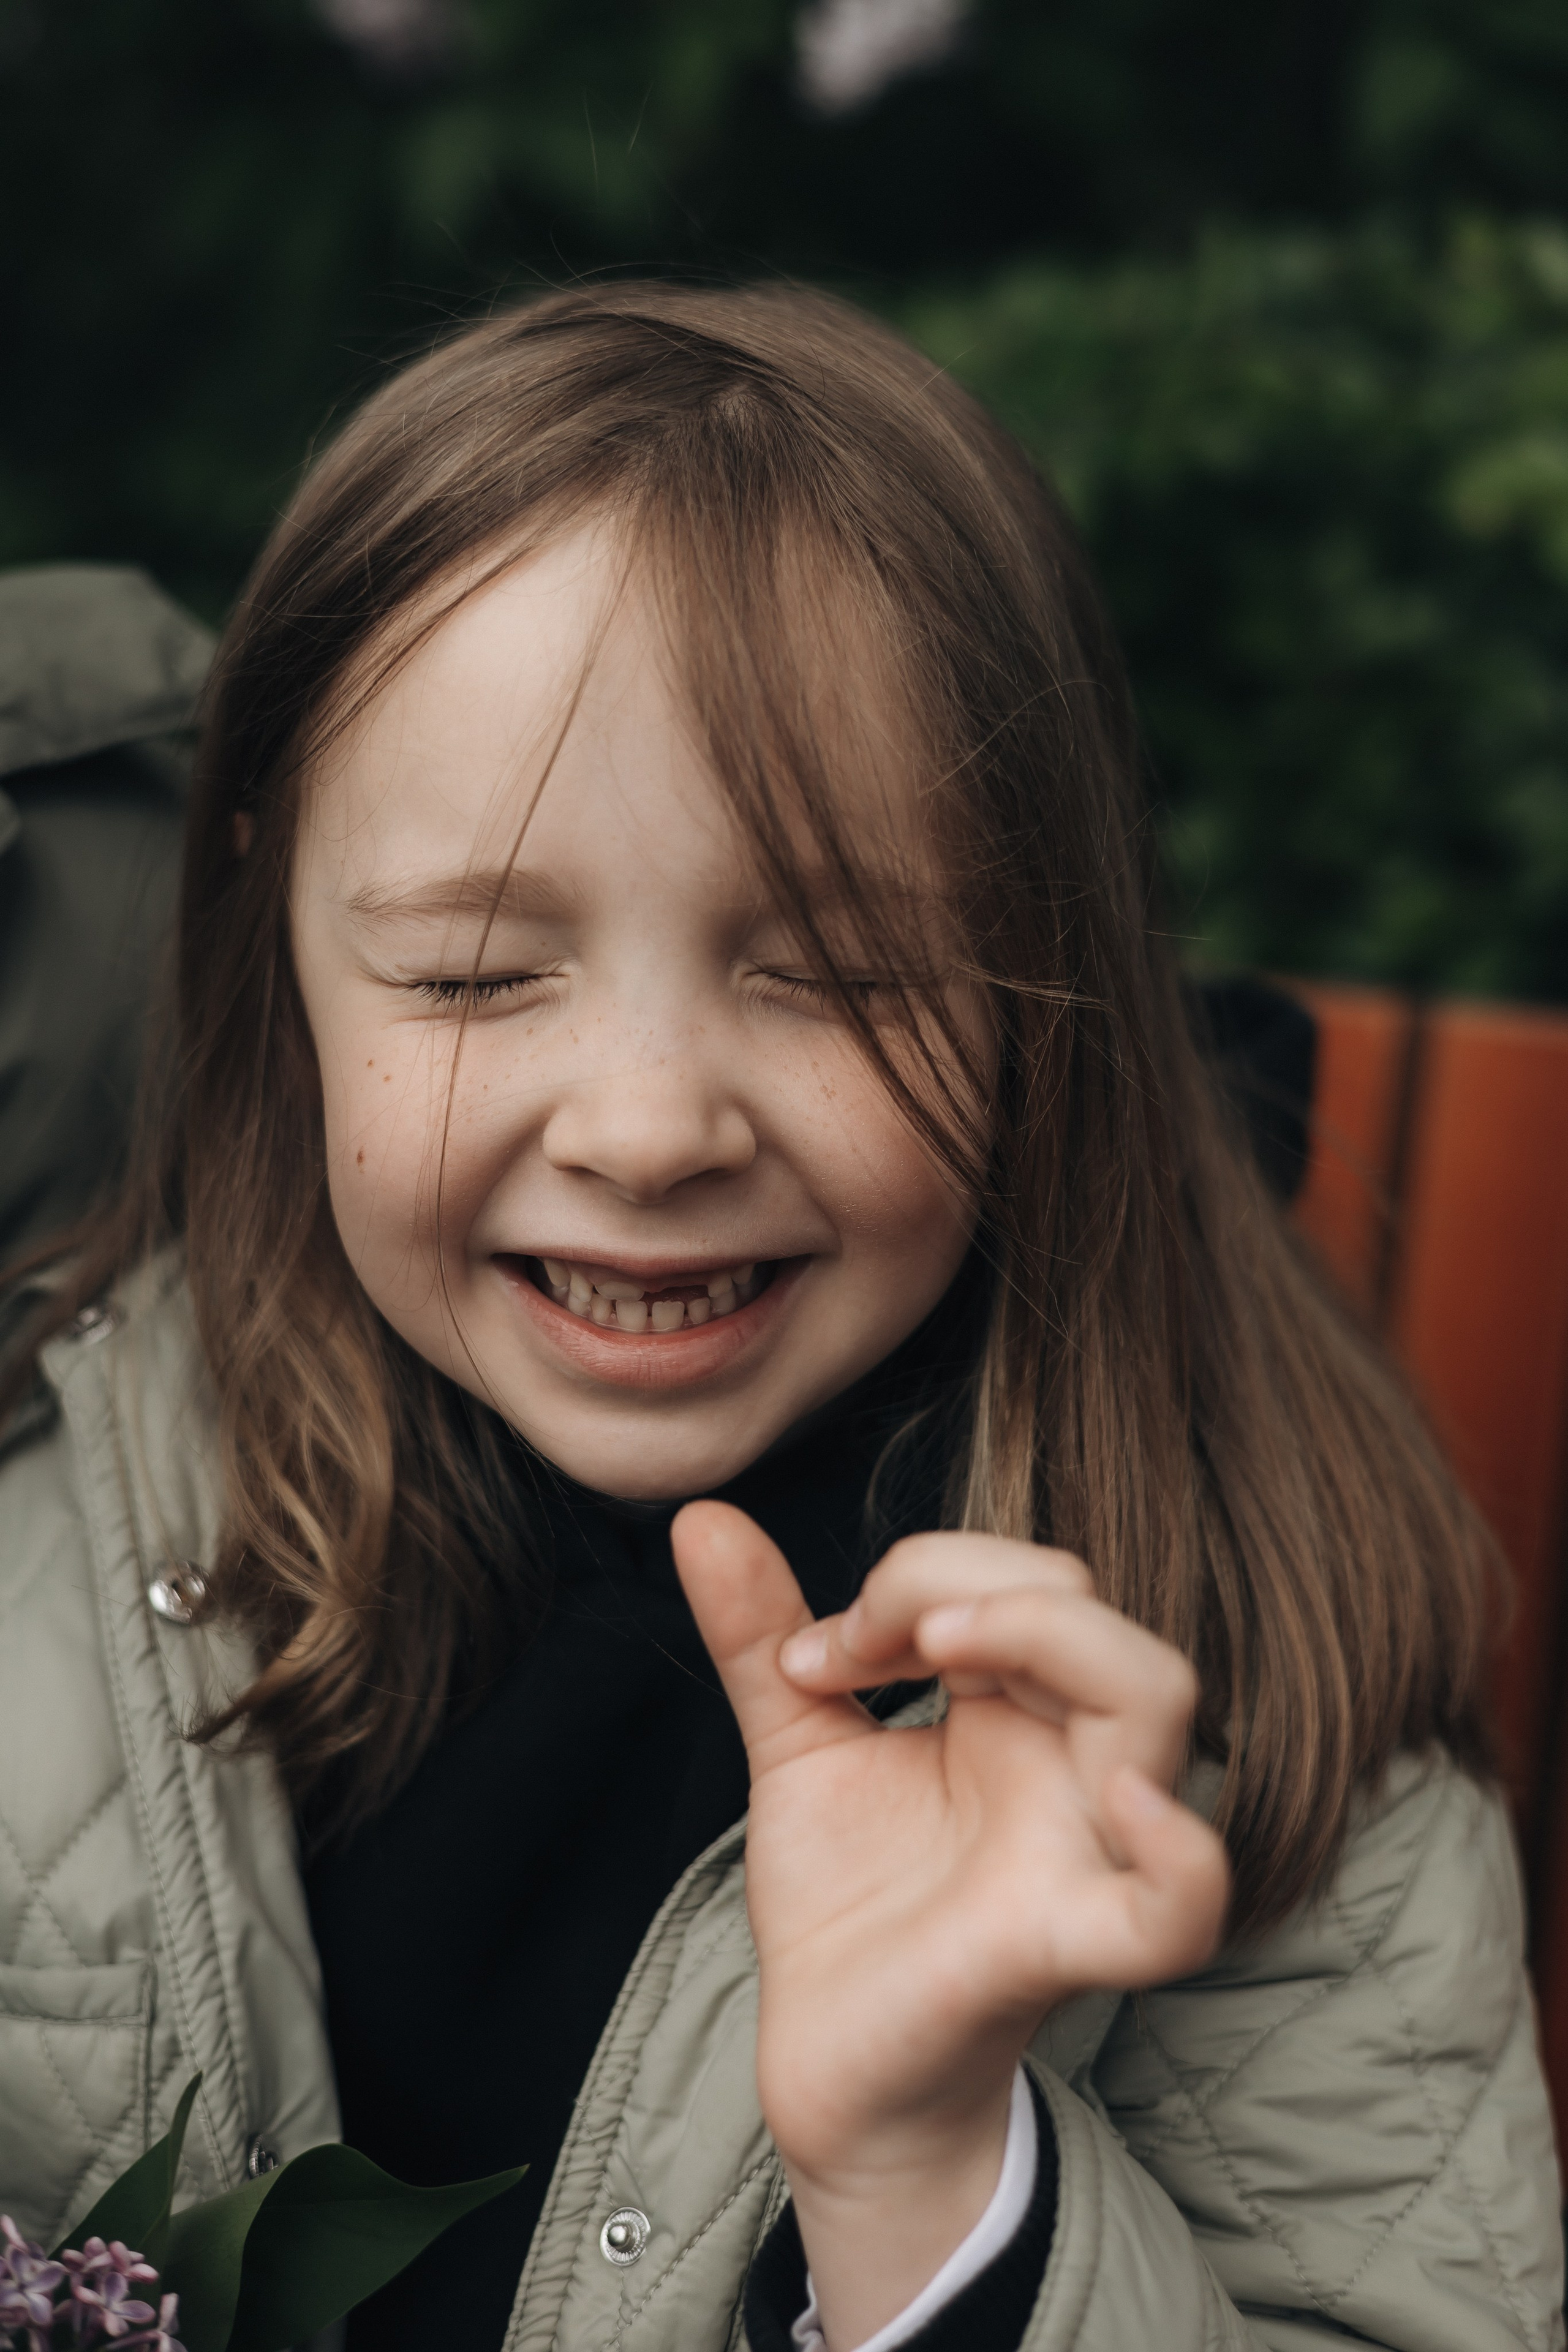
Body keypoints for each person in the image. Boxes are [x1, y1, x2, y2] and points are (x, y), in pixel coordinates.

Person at [0, 284, 1557, 2352]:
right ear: (271, 929)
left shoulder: (1260, 1732)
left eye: (833, 974)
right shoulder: (49, 1533)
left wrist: (938, 2181)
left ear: (1040, 982)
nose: (648, 1131)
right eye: (472, 977)